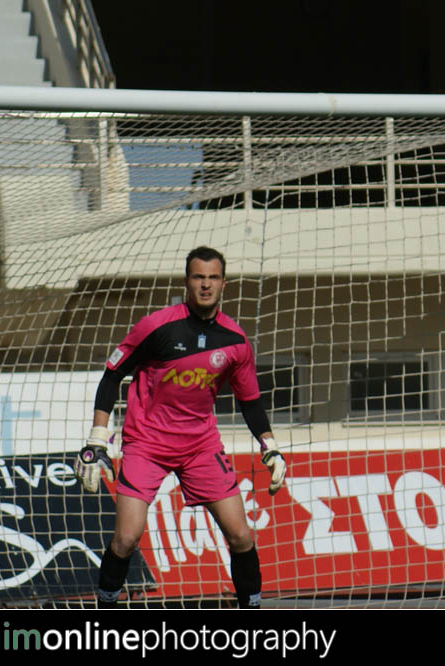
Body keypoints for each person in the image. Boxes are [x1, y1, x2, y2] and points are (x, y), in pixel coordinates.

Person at [74, 246, 286, 608]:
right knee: (126, 539)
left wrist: (270, 445)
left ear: (224, 283)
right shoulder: (156, 326)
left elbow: (249, 400)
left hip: (200, 448)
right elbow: (112, 375)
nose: (206, 285)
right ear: (187, 281)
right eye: (198, 277)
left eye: (213, 277)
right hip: (146, 445)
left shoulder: (235, 341)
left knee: (241, 536)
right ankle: (103, 610)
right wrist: (97, 438)